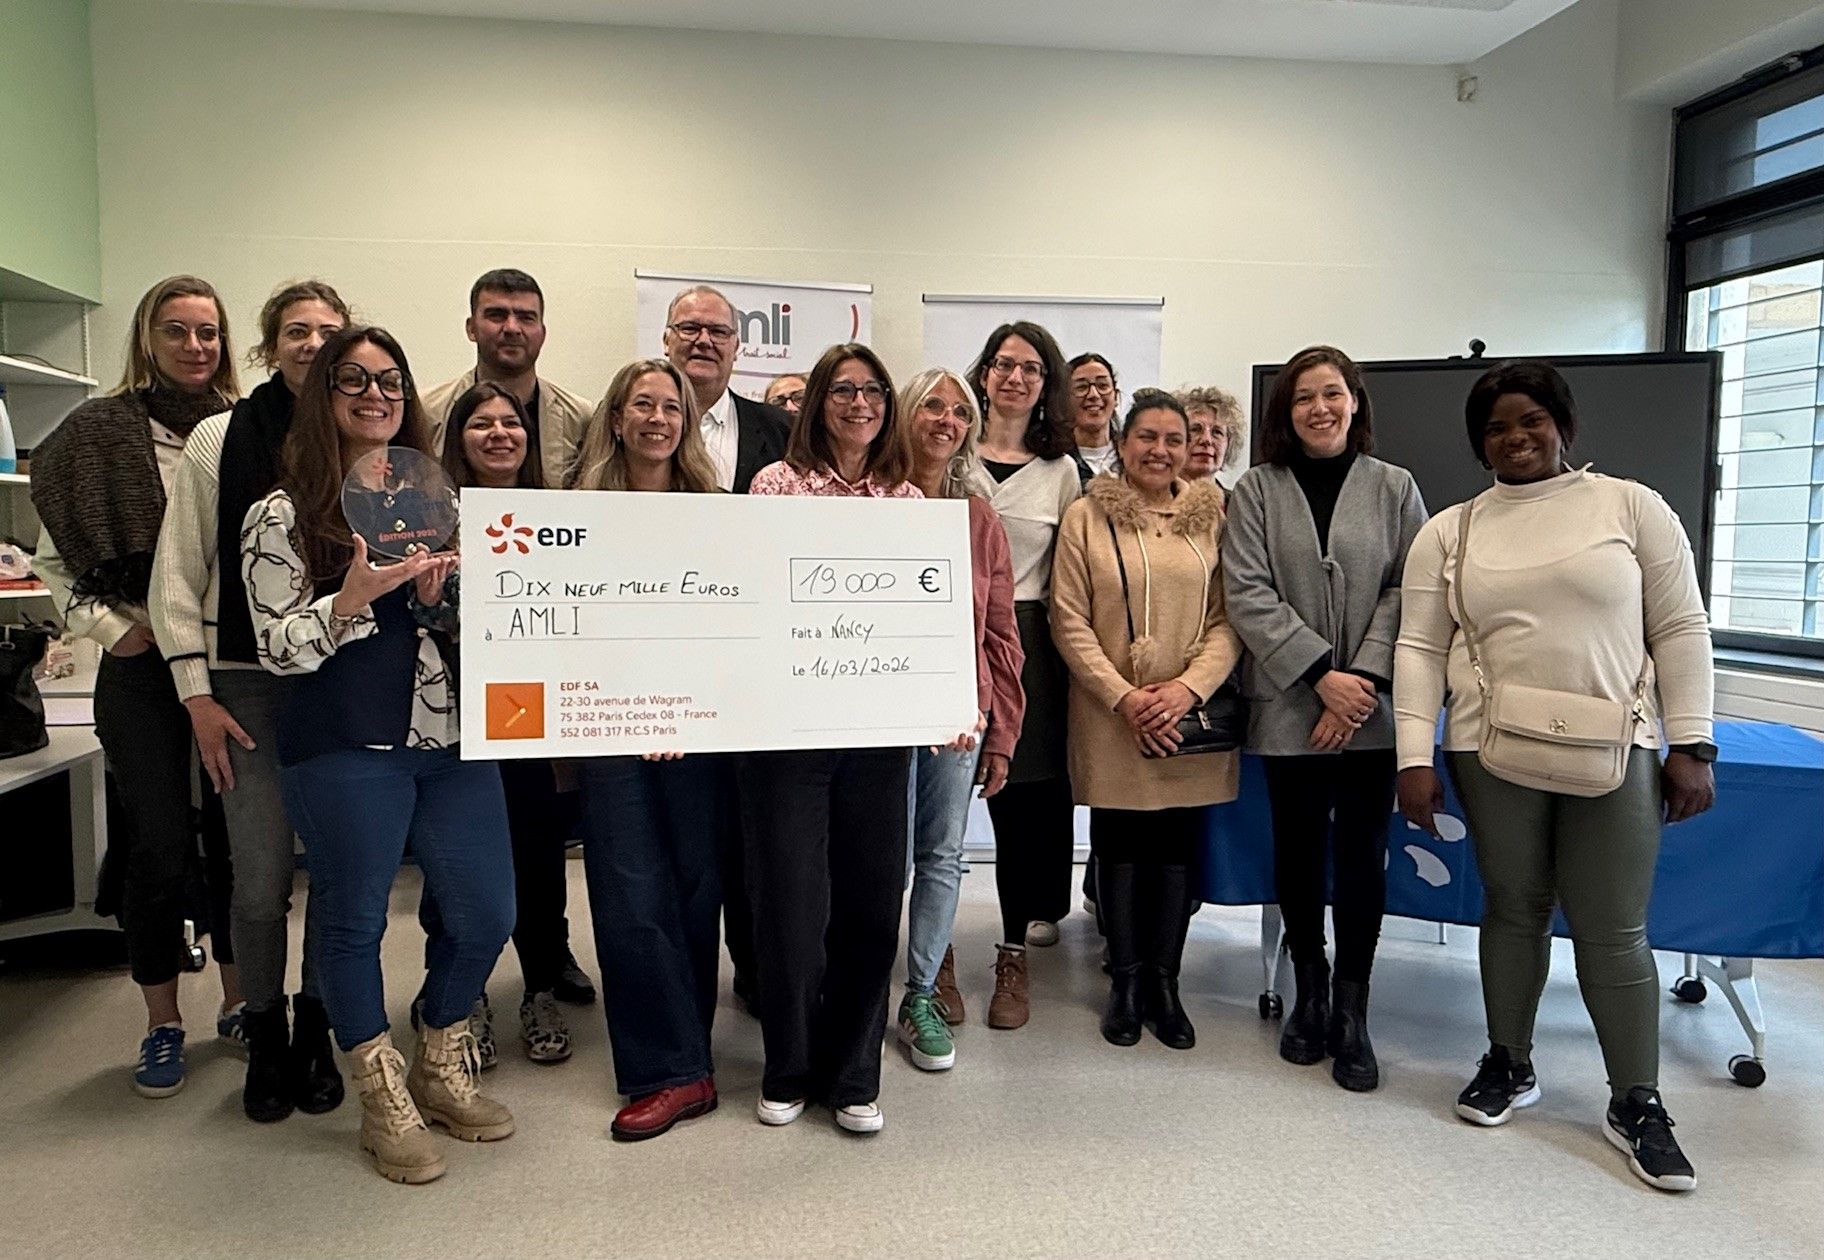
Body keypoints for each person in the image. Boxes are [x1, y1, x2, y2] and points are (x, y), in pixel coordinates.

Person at [1394, 360, 1716, 1192]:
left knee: (1614, 927)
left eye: (1531, 419)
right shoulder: (1451, 531)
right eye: (1497, 427)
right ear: (1480, 444)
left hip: (1616, 746)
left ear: (1563, 426)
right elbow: (1419, 647)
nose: (1516, 437)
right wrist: (1413, 756)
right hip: (1488, 746)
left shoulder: (1631, 507)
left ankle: (1636, 1101)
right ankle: (1509, 1061)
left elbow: (1681, 627)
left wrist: (1693, 743)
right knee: (1514, 907)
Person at [243, 325, 515, 1185]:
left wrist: (441, 599)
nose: (375, 395)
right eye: (353, 380)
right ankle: (379, 1092)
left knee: (487, 911)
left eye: (390, 381)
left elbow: (476, 621)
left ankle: (438, 1055)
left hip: (452, 738)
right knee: (354, 921)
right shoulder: (280, 513)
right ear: (322, 395)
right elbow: (274, 647)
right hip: (344, 743)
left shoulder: (441, 500)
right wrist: (348, 601)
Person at [31, 275, 243, 1098]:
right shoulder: (95, 435)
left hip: (230, 664)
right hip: (140, 663)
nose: (194, 346)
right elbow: (54, 558)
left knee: (237, 840)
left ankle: (241, 1001)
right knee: (157, 844)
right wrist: (112, 629)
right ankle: (162, 1022)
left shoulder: (243, 427)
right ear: (147, 339)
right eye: (176, 330)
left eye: (207, 332)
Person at [148, 278, 349, 1121]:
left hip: (341, 676)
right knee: (262, 878)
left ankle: (318, 1027)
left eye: (328, 331)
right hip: (245, 682)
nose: (312, 343)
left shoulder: (362, 433)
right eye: (296, 330)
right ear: (269, 346)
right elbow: (177, 572)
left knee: (338, 873)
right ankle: (264, 1029)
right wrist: (195, 694)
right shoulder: (219, 437)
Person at [1220, 345, 1428, 1092]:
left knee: (1364, 855)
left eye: (1332, 393)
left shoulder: (1395, 487)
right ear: (1287, 411)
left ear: (1354, 402)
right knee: (1300, 852)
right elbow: (1247, 593)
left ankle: (1352, 1008)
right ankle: (1309, 991)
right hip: (1290, 706)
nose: (1319, 408)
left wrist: (1359, 681)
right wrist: (1320, 677)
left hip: (1369, 709)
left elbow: (1411, 589)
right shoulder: (1256, 489)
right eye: (1303, 396)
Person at [742, 342, 927, 1134]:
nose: (860, 403)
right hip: (790, 731)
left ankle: (854, 1074)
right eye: (843, 390)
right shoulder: (774, 486)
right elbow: (752, 602)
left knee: (872, 900)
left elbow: (924, 624)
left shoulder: (909, 501)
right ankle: (788, 1066)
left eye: (873, 390)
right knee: (790, 903)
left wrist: (943, 697)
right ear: (818, 402)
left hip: (880, 732)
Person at [565, 357, 730, 1140]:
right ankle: (668, 1070)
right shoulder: (576, 513)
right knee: (630, 893)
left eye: (671, 407)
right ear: (617, 418)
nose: (658, 419)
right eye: (643, 405)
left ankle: (690, 1054)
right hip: (610, 726)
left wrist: (681, 708)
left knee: (696, 890)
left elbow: (734, 627)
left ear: (686, 423)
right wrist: (635, 709)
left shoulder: (716, 513)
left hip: (699, 729)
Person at [1050, 389, 1240, 1050]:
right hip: (1112, 716)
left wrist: (1187, 690)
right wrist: (1124, 698)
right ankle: (1125, 984)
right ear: (1122, 443)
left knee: (1176, 850)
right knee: (1122, 845)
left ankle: (1165, 984)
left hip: (1189, 718)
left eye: (1174, 439)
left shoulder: (1212, 518)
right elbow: (1068, 619)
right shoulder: (1085, 517)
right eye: (1147, 437)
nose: (1161, 451)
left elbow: (1228, 620)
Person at [437, 382, 579, 1066]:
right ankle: (463, 997)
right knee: (457, 866)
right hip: (450, 714)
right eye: (481, 424)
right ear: (457, 438)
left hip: (528, 712)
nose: (498, 433)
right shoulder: (432, 516)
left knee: (537, 855)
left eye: (510, 423)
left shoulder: (555, 514)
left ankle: (539, 989)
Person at [661, 283, 793, 1013]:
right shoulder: (638, 423)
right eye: (689, 328)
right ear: (666, 339)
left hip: (756, 663)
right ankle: (684, 993)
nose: (703, 341)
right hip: (667, 666)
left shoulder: (779, 430)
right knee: (685, 842)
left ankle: (756, 970)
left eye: (718, 331)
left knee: (754, 833)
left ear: (740, 348)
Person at [895, 367, 1026, 1072]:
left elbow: (1001, 633)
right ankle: (859, 986)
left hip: (955, 715)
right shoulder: (870, 502)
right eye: (932, 406)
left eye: (960, 411)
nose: (947, 420)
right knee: (879, 858)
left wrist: (1001, 731)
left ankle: (920, 993)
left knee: (942, 854)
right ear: (905, 414)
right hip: (875, 713)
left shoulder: (979, 520)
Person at [963, 320, 1082, 1029]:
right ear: (984, 373)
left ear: (1046, 384)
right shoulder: (952, 451)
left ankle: (1012, 951)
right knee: (933, 807)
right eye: (1004, 364)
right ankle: (934, 960)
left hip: (1028, 638)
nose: (1015, 377)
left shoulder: (1061, 470)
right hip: (947, 635)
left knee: (1021, 802)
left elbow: (1070, 573)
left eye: (1031, 369)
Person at [419, 267, 596, 525]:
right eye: (496, 315)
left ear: (542, 333)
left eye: (526, 318)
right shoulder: (427, 411)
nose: (512, 328)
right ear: (471, 328)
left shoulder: (580, 417)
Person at [1067, 353, 1121, 481]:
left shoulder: (1132, 458)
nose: (1093, 395)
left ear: (1116, 397)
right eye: (1081, 387)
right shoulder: (1053, 460)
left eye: (1102, 386)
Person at [1179, 386, 1246, 487]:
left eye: (1217, 432)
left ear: (1229, 444)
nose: (1206, 439)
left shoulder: (1239, 497)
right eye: (1195, 429)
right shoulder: (1155, 496)